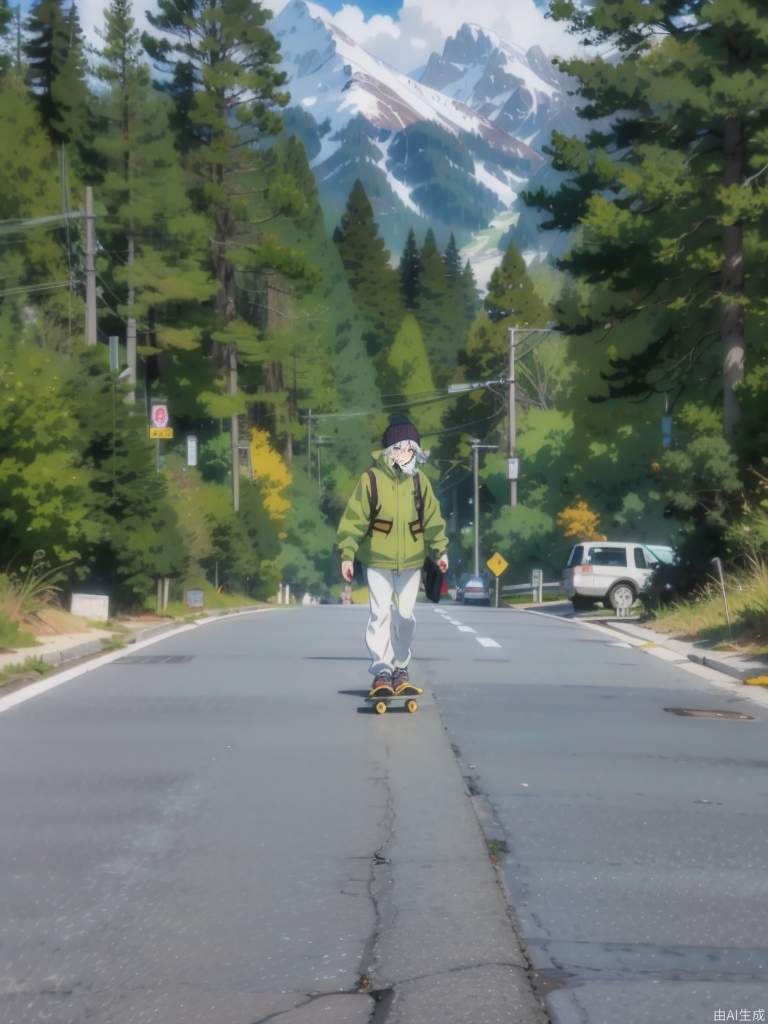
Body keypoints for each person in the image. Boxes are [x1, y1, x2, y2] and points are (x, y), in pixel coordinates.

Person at [336, 415, 449, 697]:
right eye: (400, 448)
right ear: (389, 452)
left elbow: (433, 518)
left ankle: (401, 666)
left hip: (412, 562)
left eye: (411, 449)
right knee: (379, 614)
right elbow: (354, 519)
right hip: (376, 561)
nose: (405, 454)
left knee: (405, 616)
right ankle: (382, 670)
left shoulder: (420, 482)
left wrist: (440, 549)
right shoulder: (370, 480)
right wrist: (347, 554)